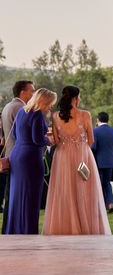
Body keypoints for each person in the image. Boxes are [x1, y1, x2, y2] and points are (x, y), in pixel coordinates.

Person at [43, 86, 111, 235]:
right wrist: (80, 148)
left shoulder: (55, 116)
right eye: (79, 96)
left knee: (64, 191)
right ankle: (85, 226)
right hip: (83, 155)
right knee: (85, 190)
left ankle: (63, 227)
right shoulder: (85, 115)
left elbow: (57, 140)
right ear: (75, 98)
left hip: (62, 156)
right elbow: (91, 140)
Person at [4, 89, 56, 234]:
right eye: (50, 103)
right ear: (44, 101)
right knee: (31, 195)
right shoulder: (38, 114)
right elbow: (38, 139)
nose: (51, 106)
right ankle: (27, 230)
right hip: (30, 158)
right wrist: (49, 140)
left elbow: (15, 134)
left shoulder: (22, 111)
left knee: (17, 195)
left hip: (16, 155)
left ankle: (14, 229)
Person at [1, 80, 36, 232]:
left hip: (9, 153)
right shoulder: (21, 108)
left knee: (10, 193)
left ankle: (9, 226)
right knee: (17, 194)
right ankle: (17, 226)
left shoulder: (7, 106)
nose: (34, 94)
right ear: (23, 92)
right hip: (20, 155)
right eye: (32, 91)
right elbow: (23, 133)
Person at [92, 112, 113, 213]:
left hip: (97, 162)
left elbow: (93, 147)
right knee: (107, 183)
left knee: (98, 183)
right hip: (110, 161)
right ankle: (110, 203)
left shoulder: (95, 131)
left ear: (98, 120)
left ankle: (99, 205)